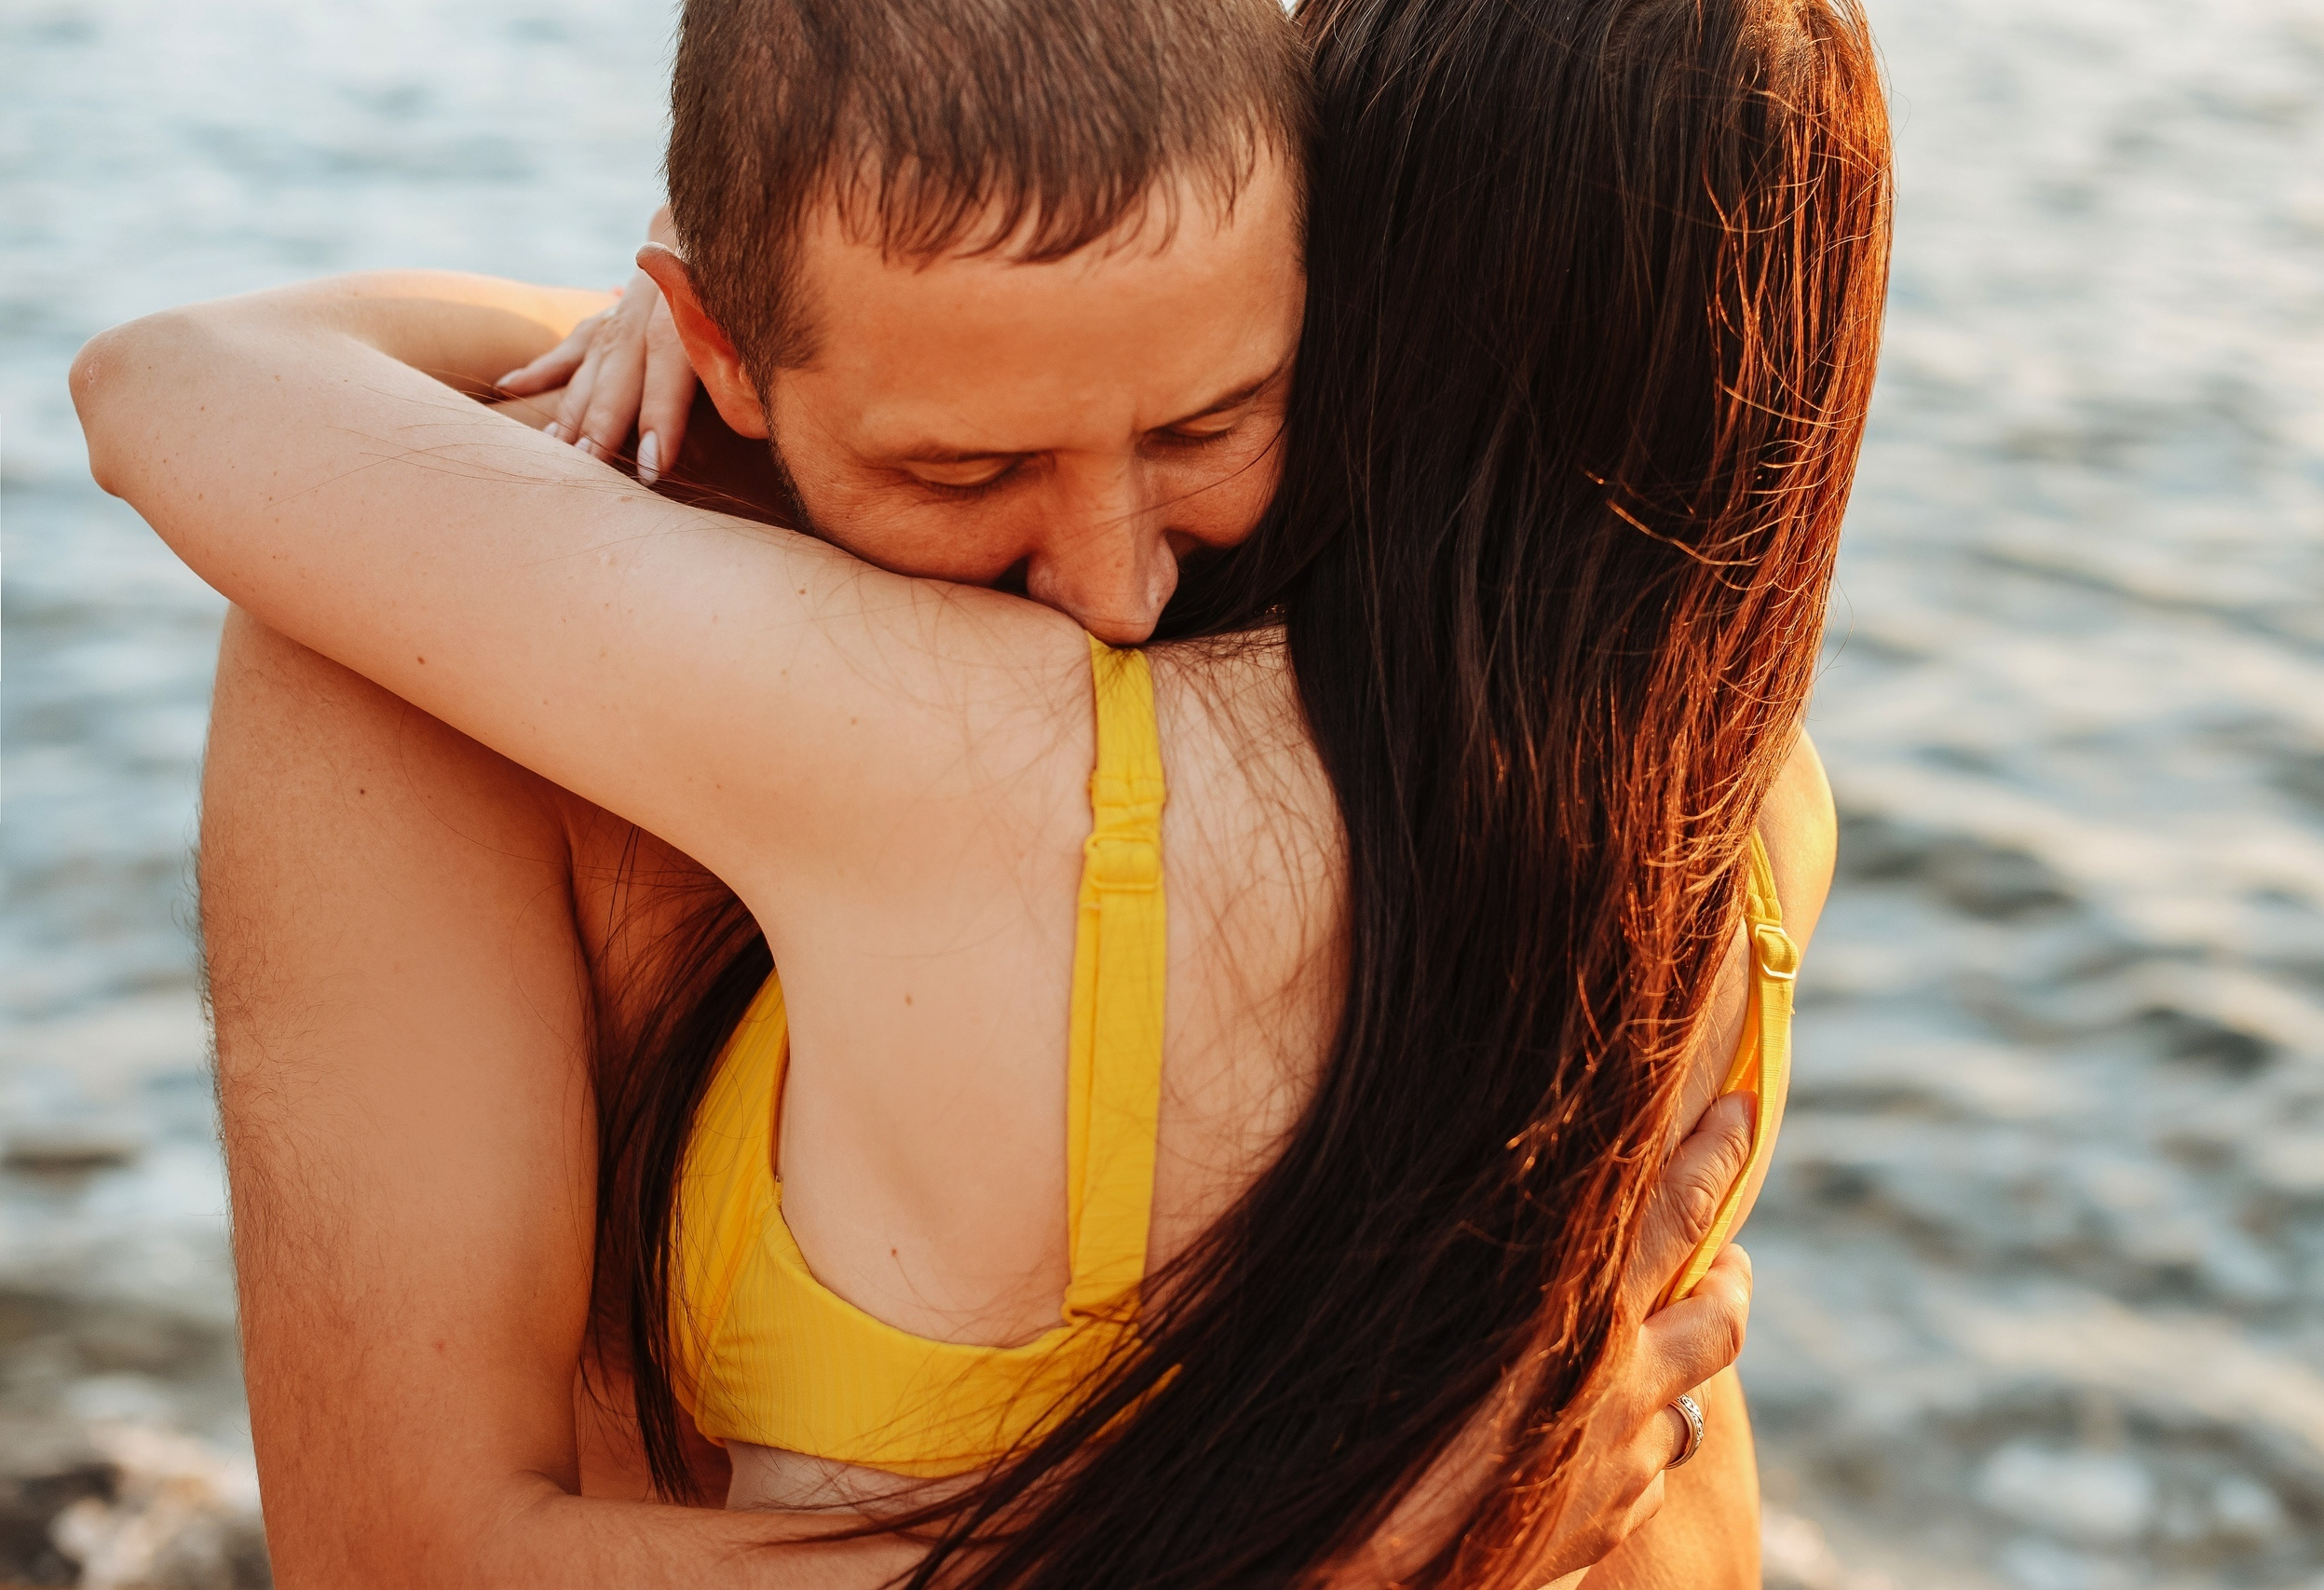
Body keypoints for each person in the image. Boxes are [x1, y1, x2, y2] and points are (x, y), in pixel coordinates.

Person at [78, 0, 1888, 1582]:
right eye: (959, 465)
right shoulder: (1738, 810)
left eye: (1213, 419)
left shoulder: (1012, 753)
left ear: (1326, 296)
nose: (1116, 591)